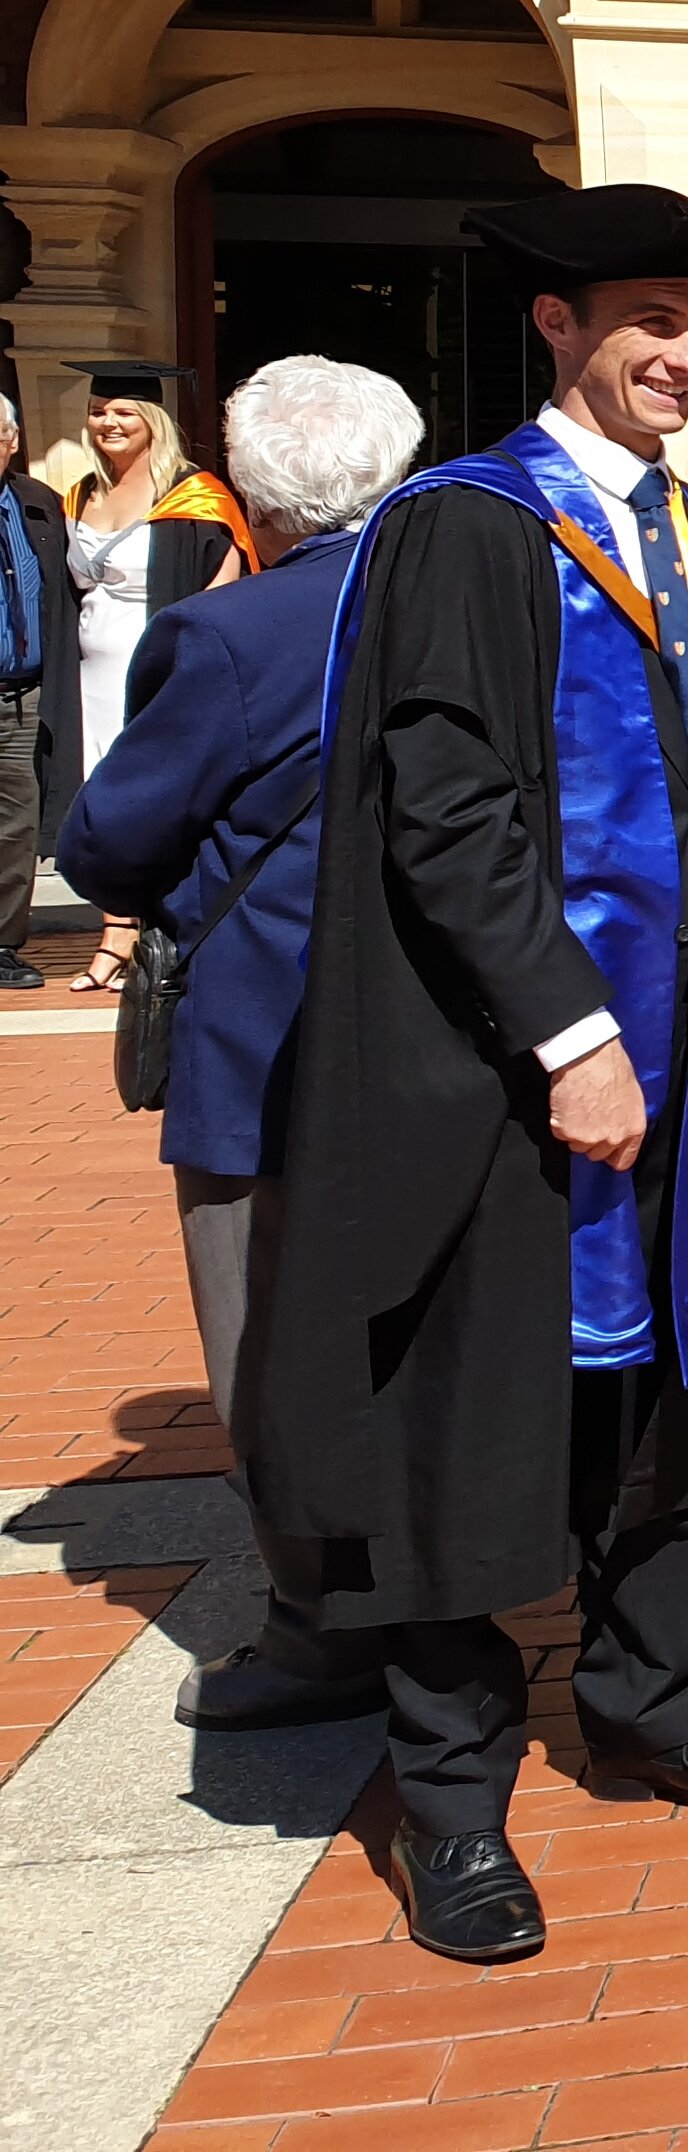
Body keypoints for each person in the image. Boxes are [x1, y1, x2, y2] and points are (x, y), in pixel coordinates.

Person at [247, 190, 688, 1966]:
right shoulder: (470, 531)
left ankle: (650, 1705)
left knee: (672, 1406)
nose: (682, 353)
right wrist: (572, 1037)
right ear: (560, 327)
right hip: (516, 1089)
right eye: (649, 319)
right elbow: (445, 813)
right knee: (475, 1431)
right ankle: (451, 1807)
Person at [58, 358, 417, 1730]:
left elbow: (107, 840)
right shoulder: (475, 612)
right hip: (442, 1032)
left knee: (264, 1348)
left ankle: (325, 1625)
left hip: (265, 1040)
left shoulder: (230, 634)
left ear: (251, 493)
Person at [66, 366, 251, 992]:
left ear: (154, 421)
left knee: (153, 792)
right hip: (88, 676)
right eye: (97, 411)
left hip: (157, 669)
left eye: (123, 411)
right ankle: (114, 929)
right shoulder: (78, 494)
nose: (109, 423)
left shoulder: (196, 496)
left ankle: (142, 931)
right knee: (102, 792)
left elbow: (226, 587)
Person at [0, 394, 81, 992]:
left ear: (12, 441)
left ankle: (3, 944)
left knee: (15, 826)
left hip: (24, 694)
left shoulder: (38, 504)